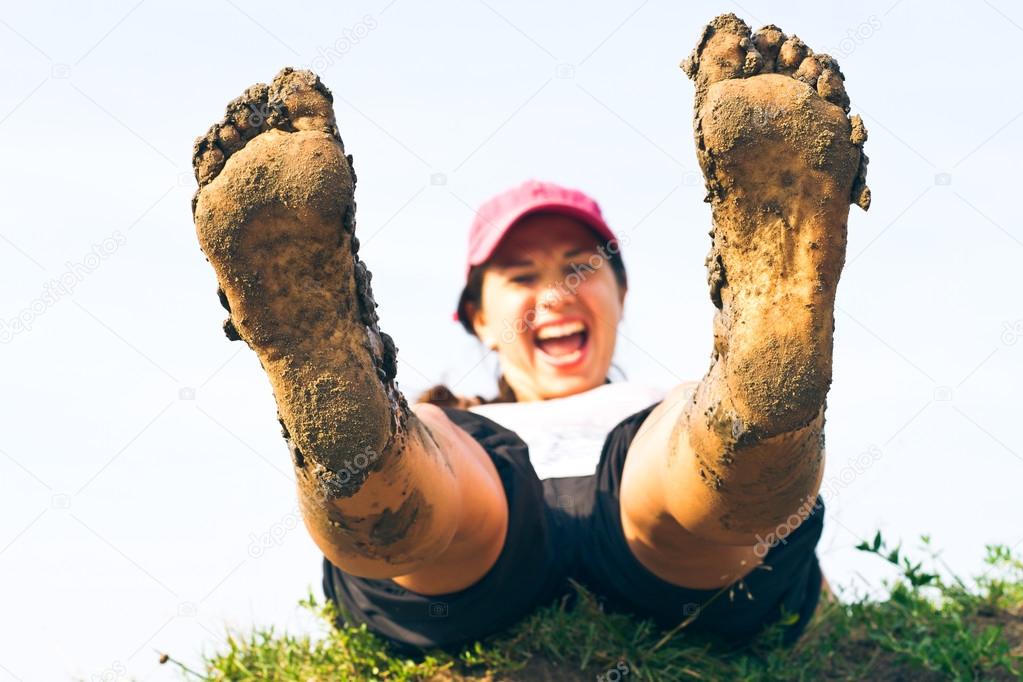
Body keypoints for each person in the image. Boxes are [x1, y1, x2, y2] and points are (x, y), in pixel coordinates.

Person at [190, 13, 868, 652]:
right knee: (428, 454)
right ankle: (348, 415)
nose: (554, 294)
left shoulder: (668, 408)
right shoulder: (457, 428)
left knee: (700, 444)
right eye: (520, 276)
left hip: (666, 507)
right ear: (478, 318)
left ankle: (763, 376)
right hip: (468, 512)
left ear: (619, 292)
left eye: (579, 267)